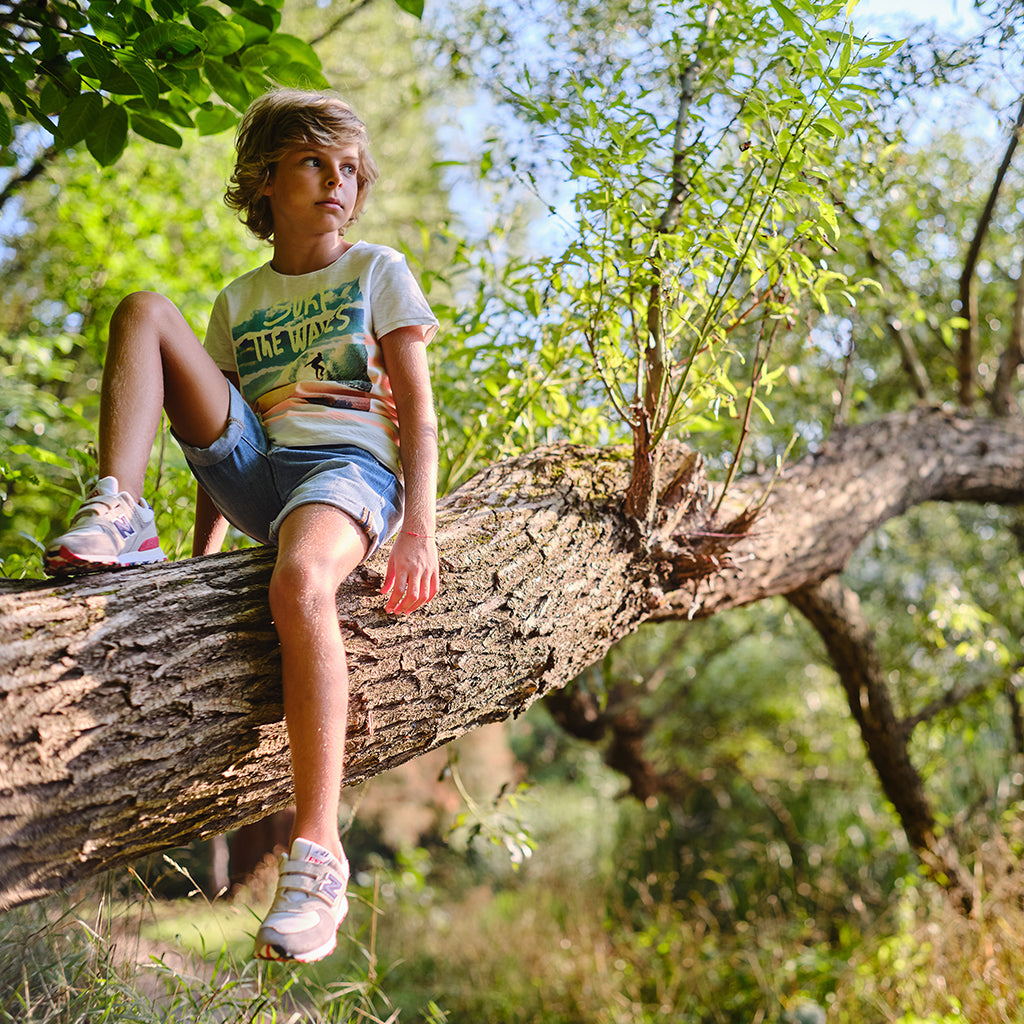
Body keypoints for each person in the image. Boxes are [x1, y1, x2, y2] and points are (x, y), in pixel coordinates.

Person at [43, 89, 441, 964]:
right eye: (313, 163)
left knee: (299, 583)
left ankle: (318, 856)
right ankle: (119, 509)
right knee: (145, 309)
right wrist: (195, 561)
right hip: (260, 476)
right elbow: (219, 432)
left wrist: (419, 529)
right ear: (264, 181)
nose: (337, 183)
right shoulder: (239, 299)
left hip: (349, 474)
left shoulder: (376, 270)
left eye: (349, 171)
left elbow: (417, 409)